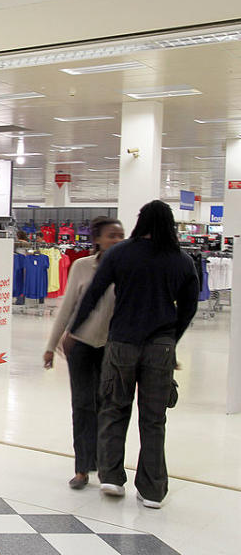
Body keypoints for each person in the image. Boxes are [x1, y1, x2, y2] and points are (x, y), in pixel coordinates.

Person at [71, 200, 198, 509]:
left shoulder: (119, 253)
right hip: (160, 345)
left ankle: (112, 476)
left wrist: (76, 328)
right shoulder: (181, 261)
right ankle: (152, 490)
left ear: (140, 222)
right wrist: (172, 338)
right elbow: (190, 306)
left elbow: (94, 293)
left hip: (122, 343)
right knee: (154, 419)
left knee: (114, 408)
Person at [43, 216, 125, 490]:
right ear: (97, 239)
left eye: (120, 235)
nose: (117, 239)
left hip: (111, 348)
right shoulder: (81, 266)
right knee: (82, 404)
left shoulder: (127, 267)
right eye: (111, 235)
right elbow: (67, 307)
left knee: (107, 405)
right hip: (80, 345)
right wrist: (50, 346)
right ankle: (81, 469)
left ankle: (105, 466)